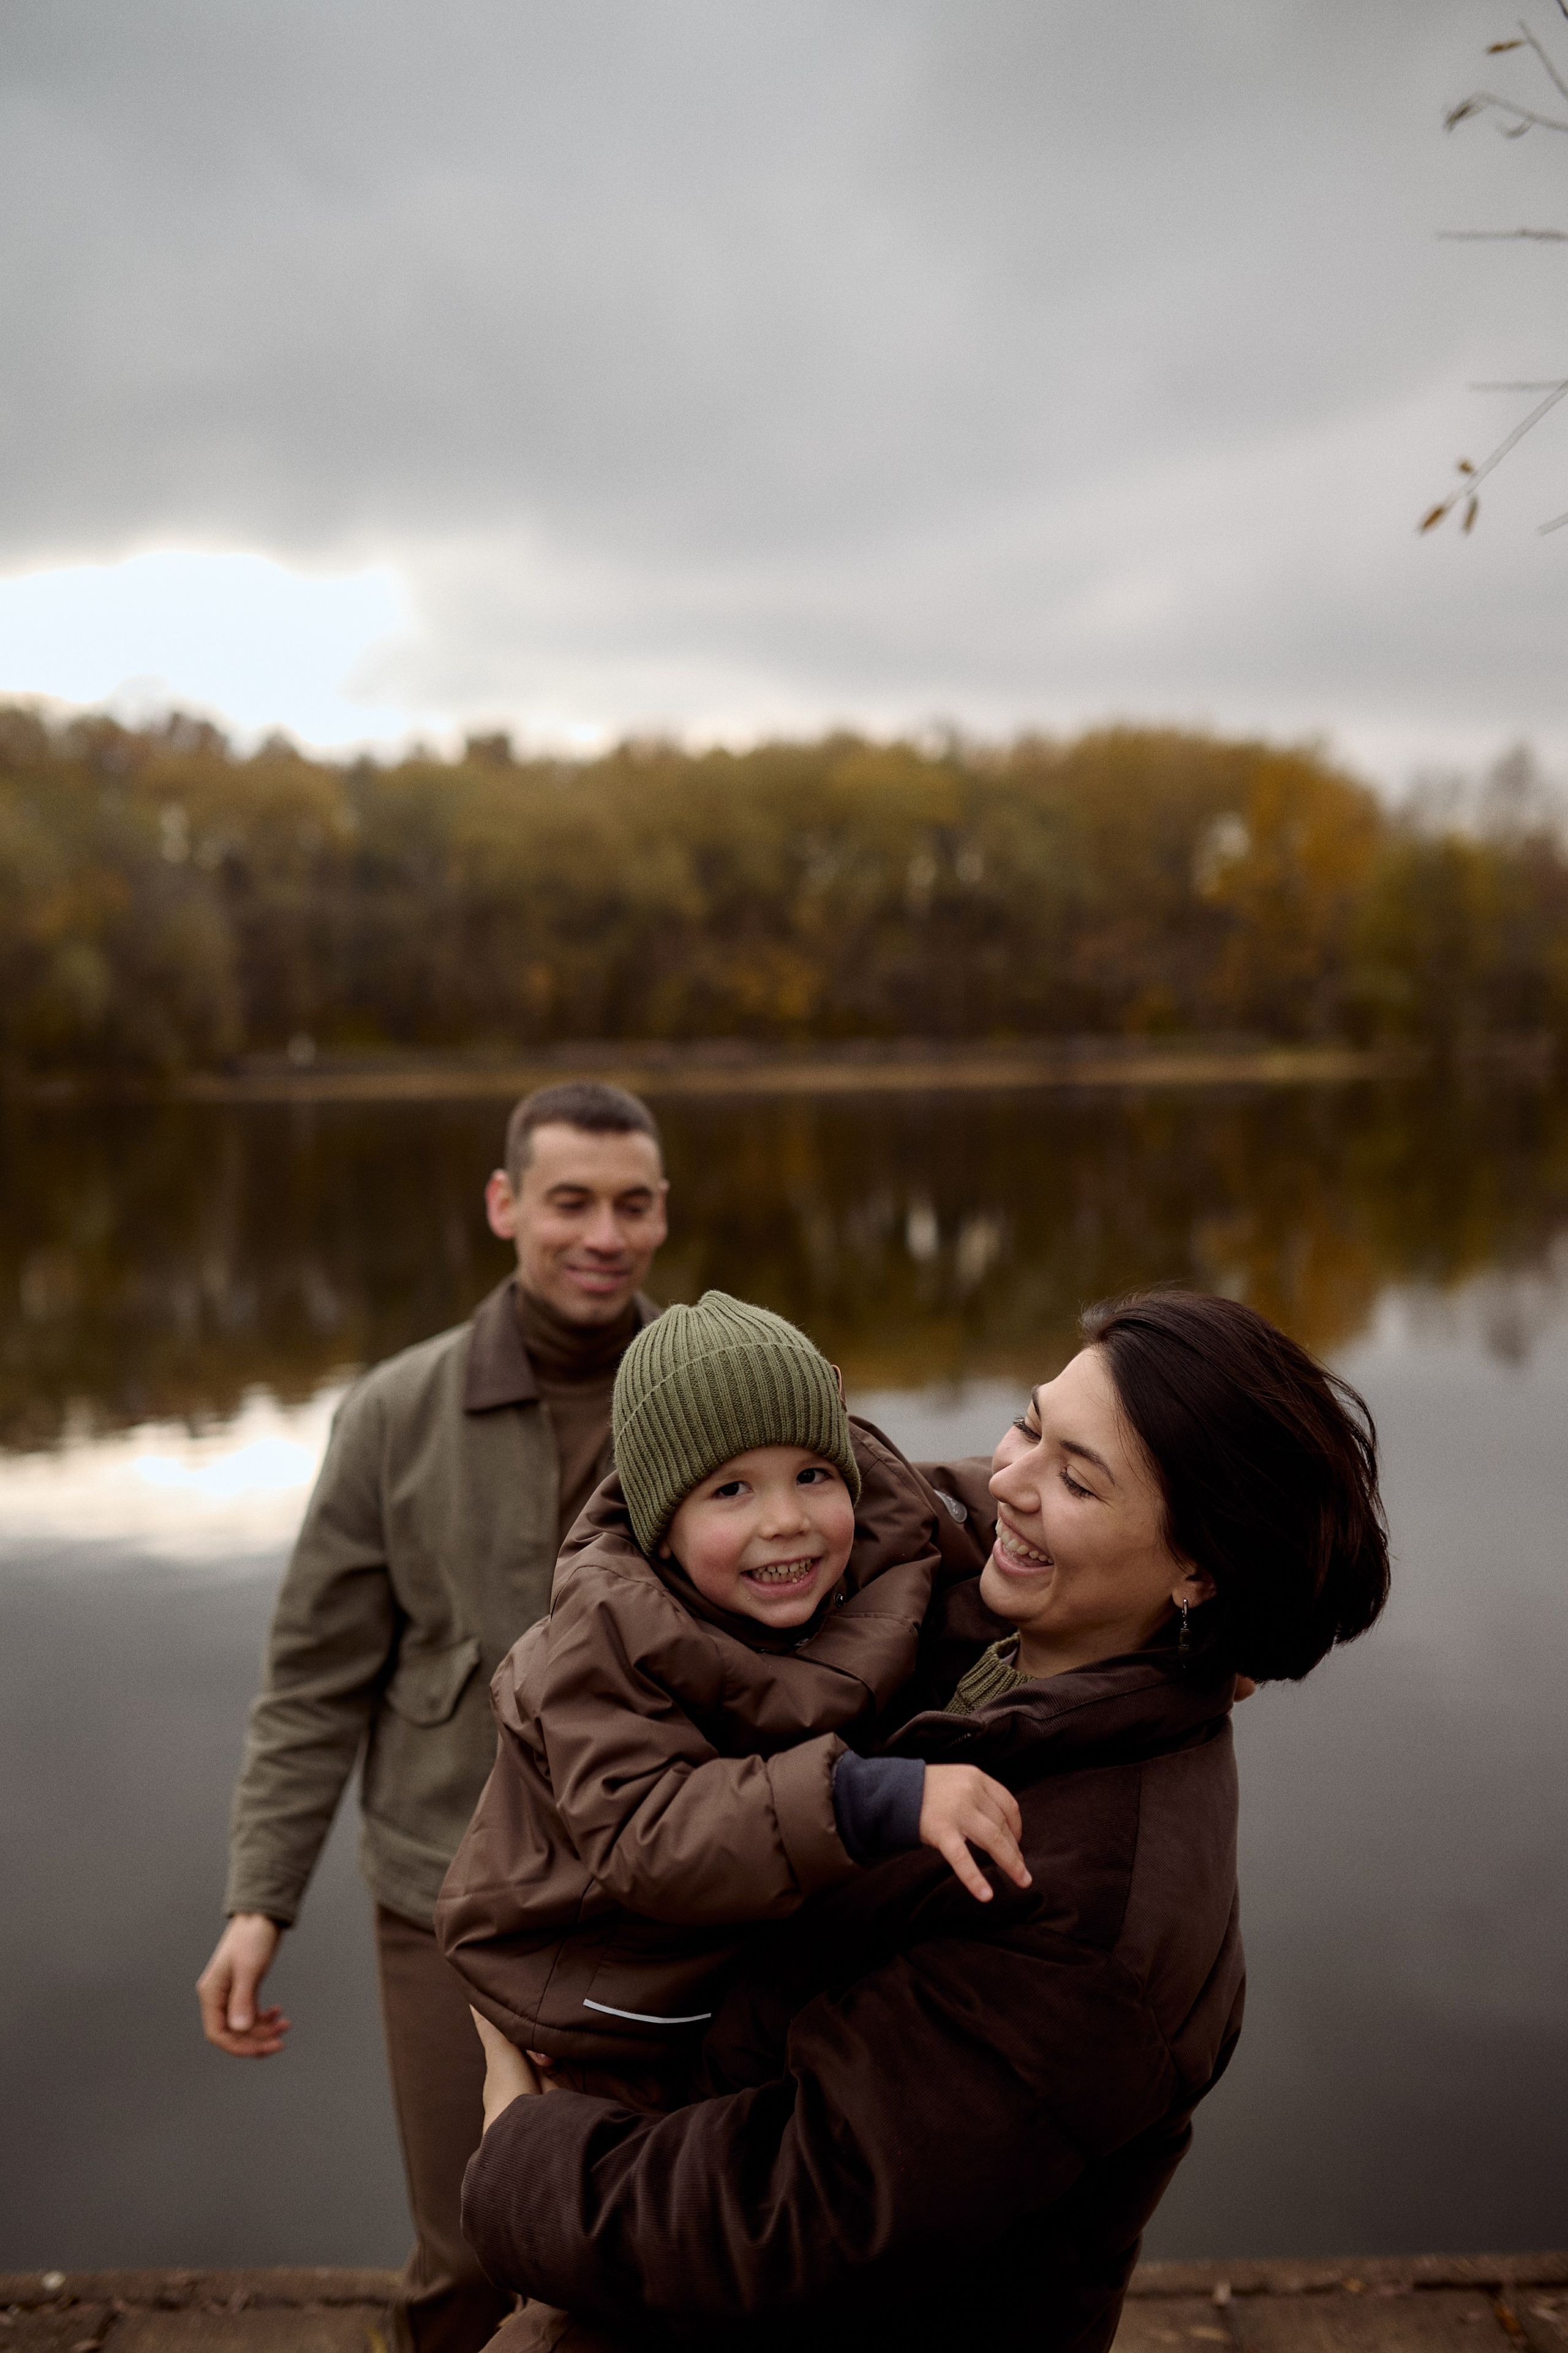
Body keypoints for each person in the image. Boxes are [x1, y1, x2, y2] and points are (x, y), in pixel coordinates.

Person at [461, 1288, 1391, 2353]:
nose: (1009, 1479)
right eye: (1030, 1424)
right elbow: (893, 1496)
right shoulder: (998, 1611)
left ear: (1198, 1569)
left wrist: (521, 2150)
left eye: (1076, 1478)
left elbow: (792, 2218)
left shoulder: (1087, 1909)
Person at [194, 1081, 670, 2353]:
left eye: (632, 1204)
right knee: (469, 2243)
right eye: (570, 1201)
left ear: (664, 1215)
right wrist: (260, 1899)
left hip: (669, 1889)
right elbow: (313, 1678)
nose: (602, 1235)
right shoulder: (394, 1413)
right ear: (505, 1204)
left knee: (647, 2239)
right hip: (443, 1895)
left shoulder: (712, 1395)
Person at [436, 1292, 1028, 2097]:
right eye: (730, 1491)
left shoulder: (880, 1520)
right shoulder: (601, 1636)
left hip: (743, 1932)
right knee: (649, 2187)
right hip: (613, 1986)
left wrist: (1181, 1593)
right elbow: (650, 1830)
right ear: (662, 1531)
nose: (787, 1519)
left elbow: (998, 1501)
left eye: (813, 1474)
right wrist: (870, 1797)